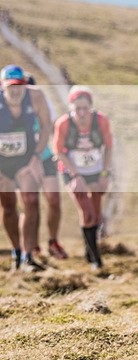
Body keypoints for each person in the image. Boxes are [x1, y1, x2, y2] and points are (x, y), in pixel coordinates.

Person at [53, 85, 113, 270]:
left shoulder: (101, 120)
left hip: (95, 169)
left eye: (85, 108)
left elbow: (108, 147)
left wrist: (104, 173)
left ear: (91, 107)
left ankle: (89, 251)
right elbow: (59, 152)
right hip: (72, 170)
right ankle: (96, 261)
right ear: (71, 107)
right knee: (87, 213)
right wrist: (76, 175)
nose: (81, 112)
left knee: (96, 215)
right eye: (77, 108)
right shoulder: (63, 124)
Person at [0, 65, 52, 272]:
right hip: (2, 162)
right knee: (9, 206)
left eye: (20, 86)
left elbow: (47, 124)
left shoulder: (36, 97)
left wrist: (37, 156)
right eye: (11, 87)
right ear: (3, 87)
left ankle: (28, 256)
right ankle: (16, 252)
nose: (16, 91)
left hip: (26, 158)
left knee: (31, 202)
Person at [24, 74, 67, 259]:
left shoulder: (42, 103)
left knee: (54, 200)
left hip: (45, 157)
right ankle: (33, 247)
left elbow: (49, 126)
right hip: (23, 163)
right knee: (31, 204)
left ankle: (53, 241)